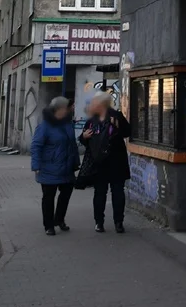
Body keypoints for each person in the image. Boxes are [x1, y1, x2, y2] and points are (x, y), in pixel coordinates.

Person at [79, 91, 131, 234]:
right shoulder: (92, 120)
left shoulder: (116, 116)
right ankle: (99, 222)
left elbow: (128, 132)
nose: (92, 104)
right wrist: (83, 137)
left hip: (116, 162)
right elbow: (84, 139)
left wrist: (118, 126)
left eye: (95, 102)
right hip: (99, 163)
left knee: (118, 192)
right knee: (100, 193)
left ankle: (118, 222)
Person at [30, 96, 80, 236]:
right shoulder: (45, 126)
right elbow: (36, 146)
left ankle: (59, 219)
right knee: (48, 198)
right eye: (67, 108)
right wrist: (36, 165)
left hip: (66, 168)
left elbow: (72, 146)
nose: (69, 110)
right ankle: (49, 225)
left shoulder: (67, 124)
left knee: (66, 194)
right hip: (49, 167)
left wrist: (75, 162)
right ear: (59, 109)